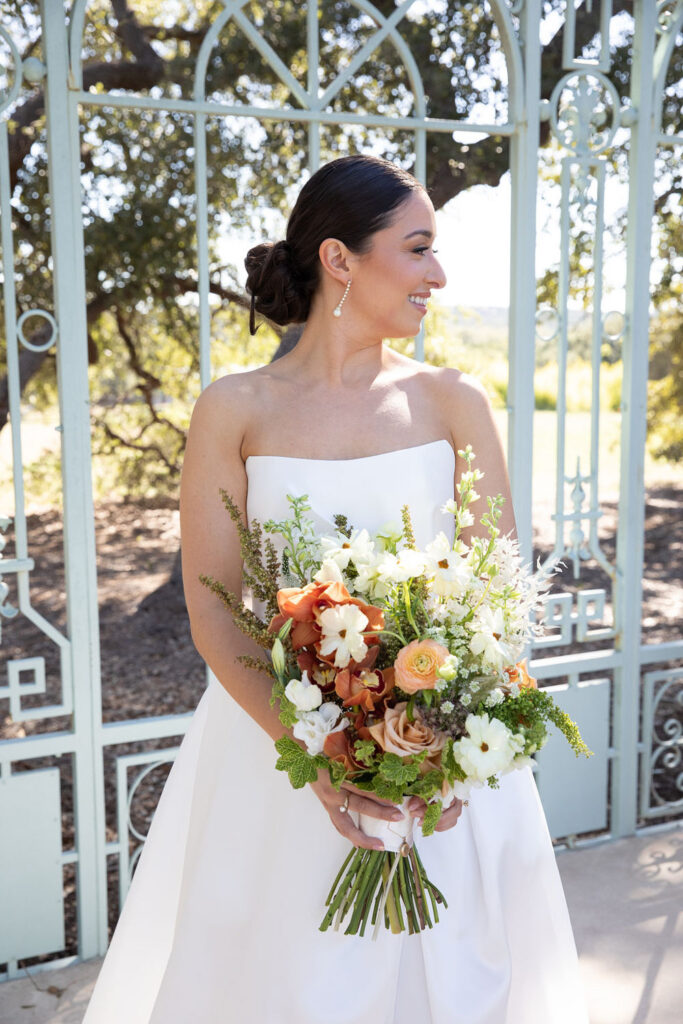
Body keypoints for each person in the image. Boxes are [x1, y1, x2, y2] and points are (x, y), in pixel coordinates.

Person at [83, 155, 589, 1024]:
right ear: (339, 259)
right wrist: (319, 756)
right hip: (275, 757)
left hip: (444, 755)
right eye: (418, 248)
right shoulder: (234, 409)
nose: (438, 274)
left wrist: (439, 739)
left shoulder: (452, 401)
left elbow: (500, 595)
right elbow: (213, 605)